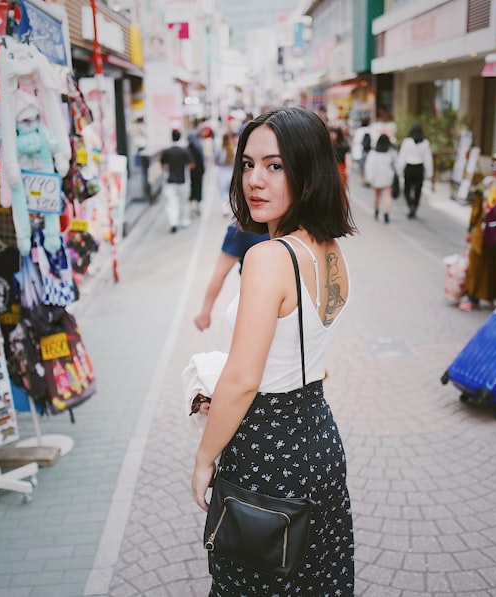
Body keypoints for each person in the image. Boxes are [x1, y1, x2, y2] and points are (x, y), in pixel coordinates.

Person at [191, 107, 356, 594]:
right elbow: (304, 351)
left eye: (275, 165)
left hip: (266, 449)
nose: (254, 180)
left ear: (308, 170)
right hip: (318, 440)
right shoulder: (328, 248)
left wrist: (204, 458)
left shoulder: (268, 257)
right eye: (247, 164)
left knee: (253, 583)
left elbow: (243, 381)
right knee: (314, 580)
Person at [460, 149, 496, 311]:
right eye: (492, 164)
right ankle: (472, 295)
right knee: (476, 259)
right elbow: (477, 207)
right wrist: (470, 228)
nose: (494, 168)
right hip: (482, 228)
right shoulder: (487, 183)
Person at [194, 221, 270, 331]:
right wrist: (205, 312)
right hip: (258, 305)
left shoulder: (242, 229)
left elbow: (219, 274)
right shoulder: (242, 230)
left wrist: (205, 313)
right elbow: (220, 274)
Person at [396, 123, 434, 218]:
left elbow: (402, 157)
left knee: (407, 189)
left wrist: (399, 169)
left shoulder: (407, 142)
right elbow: (428, 159)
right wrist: (429, 172)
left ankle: (410, 205)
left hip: (409, 168)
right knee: (418, 190)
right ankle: (415, 206)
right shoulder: (425, 143)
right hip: (419, 168)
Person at [160, 129, 193, 233]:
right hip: (183, 180)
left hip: (170, 181)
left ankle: (173, 222)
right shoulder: (184, 151)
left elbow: (162, 164)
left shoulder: (167, 151)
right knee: (183, 202)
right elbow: (192, 165)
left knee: (171, 202)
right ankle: (184, 221)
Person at [364, 133, 398, 223]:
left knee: (377, 196)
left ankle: (376, 210)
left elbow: (369, 166)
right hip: (388, 177)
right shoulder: (391, 152)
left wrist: (370, 177)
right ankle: (386, 213)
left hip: (377, 178)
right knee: (387, 196)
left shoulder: (373, 153)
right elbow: (396, 165)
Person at [214, 133, 236, 216]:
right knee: (231, 192)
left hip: (222, 173)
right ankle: (232, 208)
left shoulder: (220, 150)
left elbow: (216, 162)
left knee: (223, 193)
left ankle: (225, 209)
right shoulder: (233, 150)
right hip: (231, 173)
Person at [188, 128, 207, 217]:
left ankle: (192, 208)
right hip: (198, 173)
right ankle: (198, 207)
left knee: (192, 190)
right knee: (198, 189)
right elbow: (201, 161)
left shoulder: (187, 149)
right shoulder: (198, 148)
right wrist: (203, 171)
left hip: (190, 174)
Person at [350, 117, 372, 183]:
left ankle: (363, 179)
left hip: (360, 150)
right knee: (368, 165)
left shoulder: (359, 130)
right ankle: (367, 179)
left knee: (362, 166)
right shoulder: (370, 130)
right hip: (368, 150)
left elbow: (356, 140)